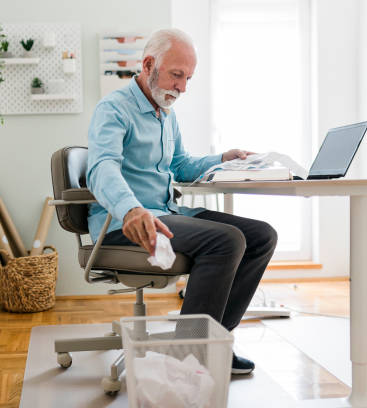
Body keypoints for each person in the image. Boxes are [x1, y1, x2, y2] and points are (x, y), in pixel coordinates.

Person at [86, 29, 278, 375]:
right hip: (123, 224)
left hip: (167, 213)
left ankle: (213, 342)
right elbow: (101, 167)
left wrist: (224, 158)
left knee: (262, 235)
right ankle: (188, 354)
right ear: (149, 65)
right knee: (227, 241)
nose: (183, 87)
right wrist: (131, 208)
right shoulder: (113, 109)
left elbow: (181, 164)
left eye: (188, 78)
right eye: (177, 75)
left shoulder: (166, 114)